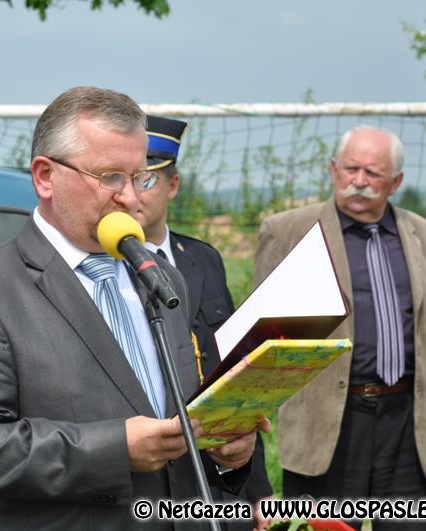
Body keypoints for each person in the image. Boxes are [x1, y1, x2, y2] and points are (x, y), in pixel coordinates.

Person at [0, 87, 265, 530]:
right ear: (45, 177)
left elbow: (176, 424)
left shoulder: (161, 276)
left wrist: (225, 452)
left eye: (140, 178)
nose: (131, 198)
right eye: (110, 177)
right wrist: (114, 450)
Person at [254, 125, 426, 530]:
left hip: (407, 424)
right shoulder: (287, 232)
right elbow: (263, 334)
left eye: (373, 173)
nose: (359, 181)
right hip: (328, 423)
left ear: (396, 182)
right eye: (350, 168)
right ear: (333, 169)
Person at [137, 116, 273, 531]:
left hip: (218, 479)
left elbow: (234, 374)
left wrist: (258, 489)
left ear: (173, 185)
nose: (132, 193)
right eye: (122, 178)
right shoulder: (102, 270)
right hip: (149, 482)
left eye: (146, 180)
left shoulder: (203, 258)